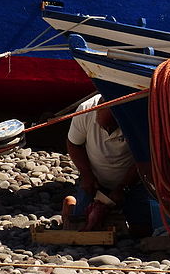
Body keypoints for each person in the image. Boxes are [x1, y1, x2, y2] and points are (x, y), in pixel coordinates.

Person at [63, 94, 154, 237]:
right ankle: (70, 205)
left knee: (143, 230)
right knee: (80, 224)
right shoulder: (85, 110)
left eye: (113, 126)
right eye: (105, 126)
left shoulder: (137, 116)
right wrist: (87, 176)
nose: (109, 131)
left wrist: (123, 187)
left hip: (133, 182)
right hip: (96, 182)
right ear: (97, 111)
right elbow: (74, 144)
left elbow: (143, 158)